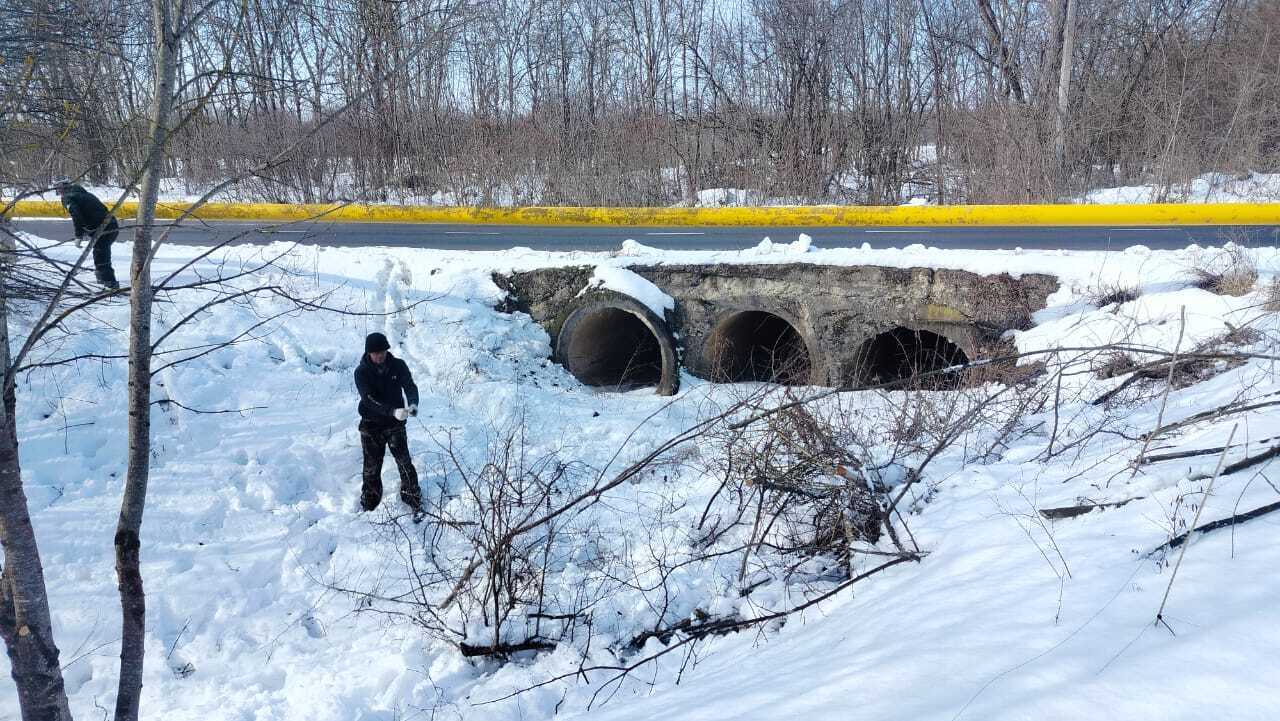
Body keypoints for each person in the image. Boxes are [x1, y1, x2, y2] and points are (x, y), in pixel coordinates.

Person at [354, 332, 423, 515]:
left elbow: (409, 385)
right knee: (371, 467)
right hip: (371, 424)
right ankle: (370, 502)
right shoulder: (361, 372)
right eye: (376, 353)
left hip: (395, 424)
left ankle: (412, 497)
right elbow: (368, 399)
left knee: (404, 462)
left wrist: (413, 402)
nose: (380, 356)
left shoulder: (397, 365)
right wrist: (392, 411)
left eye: (383, 352)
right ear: (369, 353)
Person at [53, 178, 120, 289]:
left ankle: (110, 282)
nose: (57, 191)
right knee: (100, 251)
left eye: (58, 188)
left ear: (62, 188)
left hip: (103, 228)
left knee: (101, 254)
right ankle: (101, 277)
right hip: (111, 224)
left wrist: (79, 235)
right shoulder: (83, 193)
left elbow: (76, 215)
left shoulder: (68, 197)